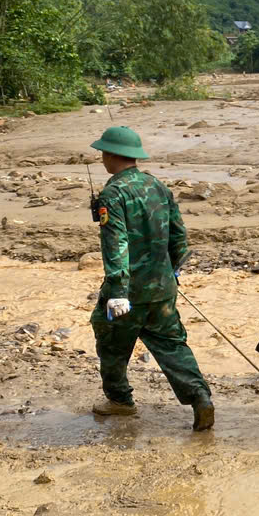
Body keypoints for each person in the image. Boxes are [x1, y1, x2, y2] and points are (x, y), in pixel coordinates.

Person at [88, 125, 215, 431]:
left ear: (111, 154)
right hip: (162, 289)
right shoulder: (158, 186)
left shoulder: (113, 193)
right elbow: (179, 236)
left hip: (128, 292)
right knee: (172, 345)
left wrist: (117, 290)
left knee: (111, 340)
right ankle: (200, 398)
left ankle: (120, 401)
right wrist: (172, 271)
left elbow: (115, 245)